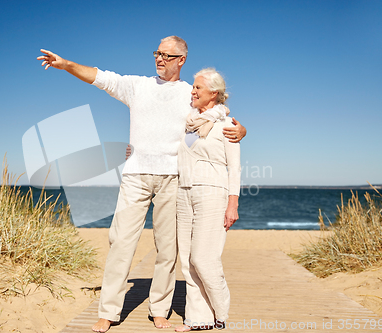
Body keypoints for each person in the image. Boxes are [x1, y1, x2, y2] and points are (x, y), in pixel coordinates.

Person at [37, 36, 246, 333]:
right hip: (136, 176)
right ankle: (108, 312)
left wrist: (242, 130)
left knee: (167, 250)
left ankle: (159, 309)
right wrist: (67, 65)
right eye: (157, 53)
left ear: (181, 60)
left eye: (167, 55)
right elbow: (100, 77)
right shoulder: (138, 86)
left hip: (174, 178)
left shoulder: (190, 93)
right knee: (120, 242)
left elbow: (220, 110)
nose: (159, 59)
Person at [175, 68, 241, 332]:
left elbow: (234, 168)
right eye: (193, 86)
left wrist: (232, 204)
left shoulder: (228, 125)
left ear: (214, 93)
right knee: (187, 259)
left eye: (198, 87)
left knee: (204, 258)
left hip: (213, 193)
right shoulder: (187, 123)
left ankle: (221, 311)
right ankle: (198, 319)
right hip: (183, 191)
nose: (193, 90)